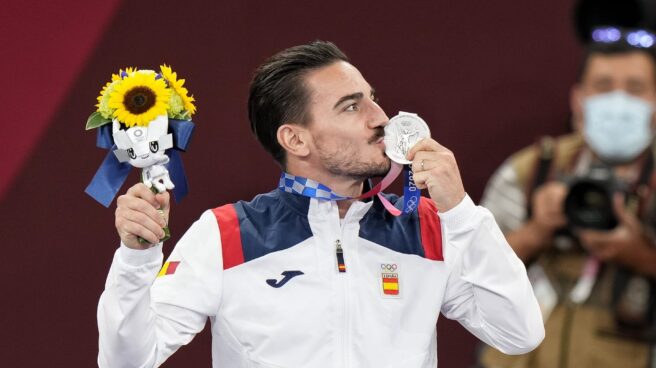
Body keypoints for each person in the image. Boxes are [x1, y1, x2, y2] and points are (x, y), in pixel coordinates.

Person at [98, 40, 544, 368]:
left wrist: (462, 211)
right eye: (352, 107)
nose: (380, 118)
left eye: (373, 98)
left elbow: (520, 334)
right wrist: (137, 261)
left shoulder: (427, 226)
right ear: (295, 138)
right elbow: (127, 362)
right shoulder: (227, 234)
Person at [479, 30, 656, 368]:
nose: (618, 103)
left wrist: (640, 255)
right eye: (604, 87)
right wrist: (537, 231)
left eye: (634, 89)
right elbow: (470, 274)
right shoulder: (530, 170)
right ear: (578, 99)